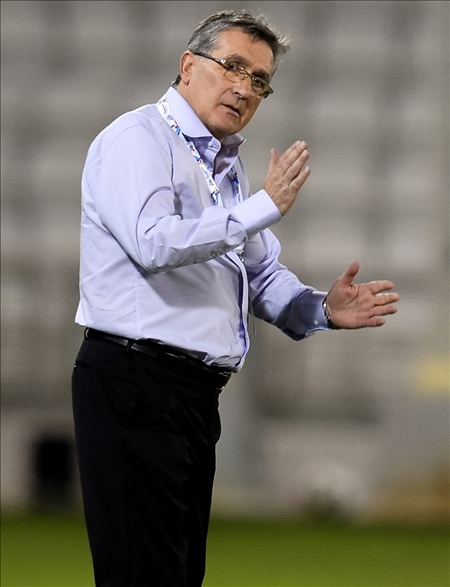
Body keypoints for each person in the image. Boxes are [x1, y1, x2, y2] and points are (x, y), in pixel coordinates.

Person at [72, 8, 399, 587]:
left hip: (191, 395)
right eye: (233, 67)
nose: (245, 88)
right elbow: (153, 242)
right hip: (136, 381)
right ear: (187, 65)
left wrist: (322, 309)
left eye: (259, 80)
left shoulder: (222, 165)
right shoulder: (136, 138)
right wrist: (261, 207)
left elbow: (260, 274)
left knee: (176, 574)